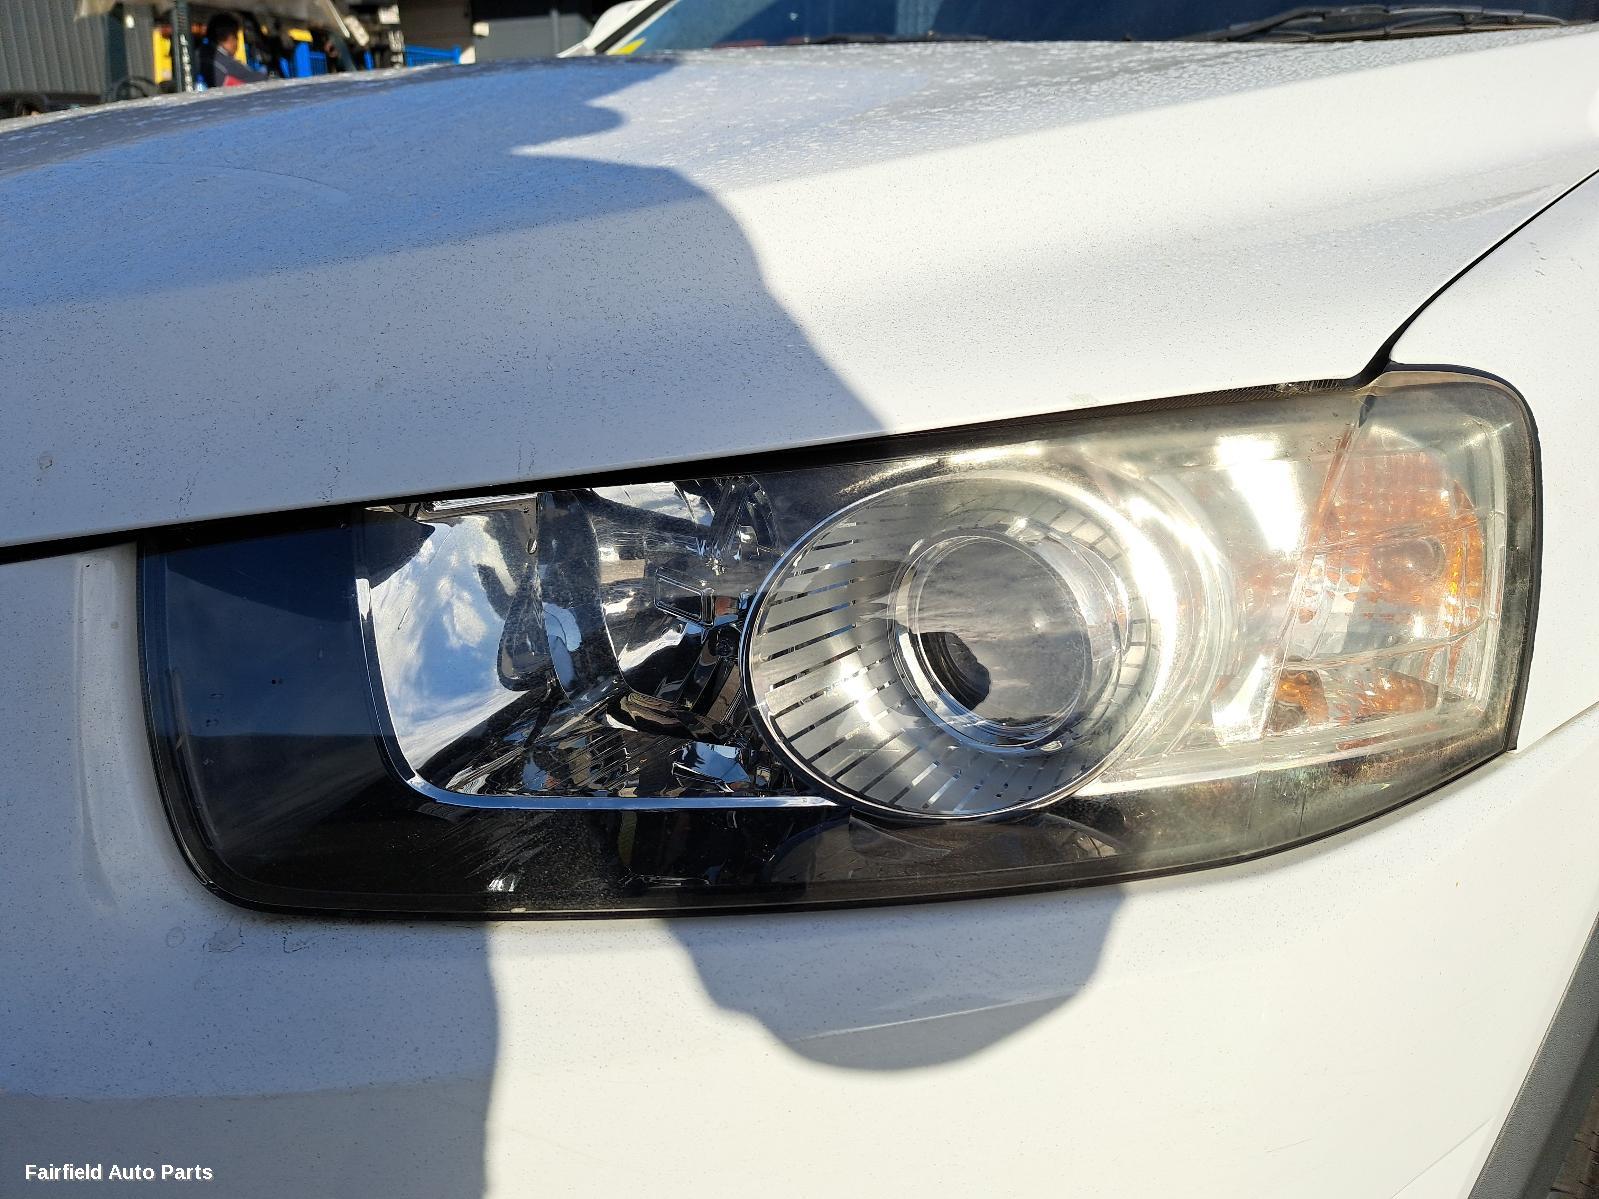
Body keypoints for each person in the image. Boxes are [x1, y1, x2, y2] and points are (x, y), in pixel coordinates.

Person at [198, 13, 267, 88]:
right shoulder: (224, 64)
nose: (237, 43)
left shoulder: (202, 56)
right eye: (236, 37)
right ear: (230, 37)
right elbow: (258, 81)